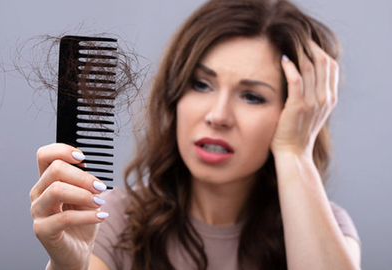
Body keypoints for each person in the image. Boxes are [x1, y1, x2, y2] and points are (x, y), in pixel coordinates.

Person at [29, 0, 362, 269]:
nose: (217, 116)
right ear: (175, 95)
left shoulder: (326, 228)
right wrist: (68, 267)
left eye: (252, 96)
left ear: (297, 112)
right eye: (201, 84)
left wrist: (293, 149)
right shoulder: (113, 220)